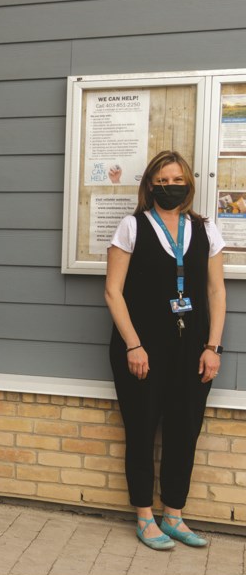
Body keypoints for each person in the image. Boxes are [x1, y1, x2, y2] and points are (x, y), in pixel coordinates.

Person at [105, 150, 226, 550]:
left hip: (192, 348)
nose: (170, 187)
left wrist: (213, 346)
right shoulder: (132, 226)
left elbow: (215, 291)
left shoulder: (206, 229)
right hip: (142, 347)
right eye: (162, 181)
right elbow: (113, 291)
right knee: (141, 430)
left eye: (177, 181)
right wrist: (132, 344)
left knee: (183, 431)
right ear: (149, 185)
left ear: (189, 184)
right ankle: (144, 516)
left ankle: (174, 514)